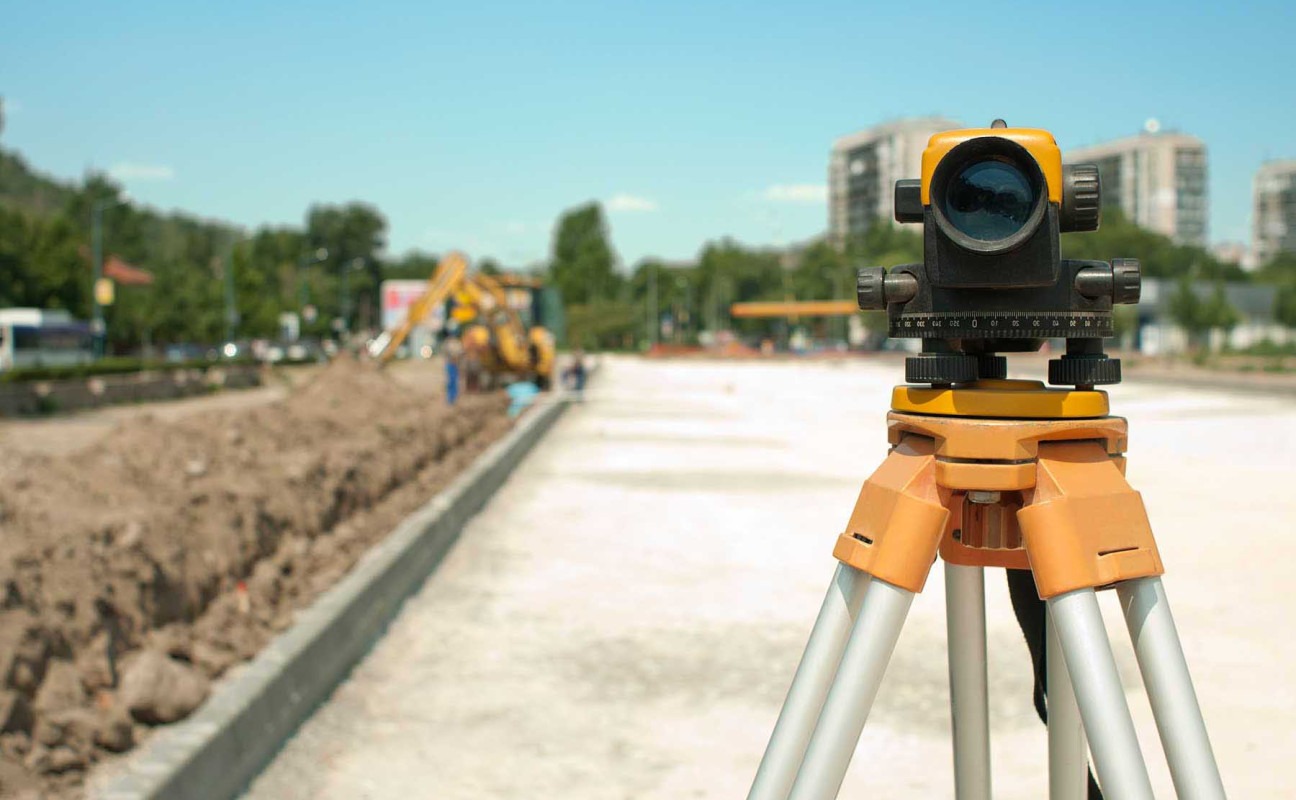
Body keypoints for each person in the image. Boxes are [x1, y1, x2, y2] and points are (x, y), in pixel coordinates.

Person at [443, 336, 463, 406]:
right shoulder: (449, 343)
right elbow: (447, 353)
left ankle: (453, 398)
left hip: (455, 365)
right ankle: (450, 399)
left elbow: (460, 353)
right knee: (451, 381)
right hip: (450, 364)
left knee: (454, 381)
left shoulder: (457, 343)